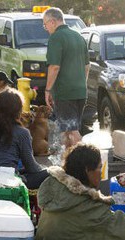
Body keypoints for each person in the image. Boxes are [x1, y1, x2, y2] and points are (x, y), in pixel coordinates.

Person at [0, 88, 48, 189]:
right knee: (50, 174)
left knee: (22, 169)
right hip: (9, 183)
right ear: (19, 110)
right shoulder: (22, 132)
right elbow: (32, 167)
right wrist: (46, 169)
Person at [43, 7, 90, 149]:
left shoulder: (56, 38)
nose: (45, 28)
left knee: (72, 131)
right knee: (67, 132)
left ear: (52, 22)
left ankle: (87, 161)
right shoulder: (78, 37)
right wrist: (81, 84)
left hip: (65, 93)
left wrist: (47, 90)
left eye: (45, 24)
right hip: (80, 91)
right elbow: (87, 67)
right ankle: (69, 164)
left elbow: (54, 67)